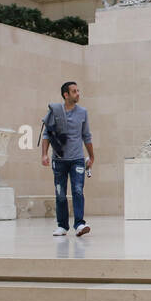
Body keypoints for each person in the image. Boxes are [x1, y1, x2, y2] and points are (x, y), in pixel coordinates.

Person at [40, 80, 94, 237]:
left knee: (78, 190)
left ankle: (79, 224)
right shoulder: (54, 112)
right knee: (60, 193)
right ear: (66, 95)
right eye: (74, 91)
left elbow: (86, 136)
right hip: (59, 160)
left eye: (78, 90)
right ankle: (62, 226)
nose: (78, 93)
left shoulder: (83, 112)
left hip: (77, 159)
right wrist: (44, 154)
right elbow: (46, 134)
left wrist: (91, 156)